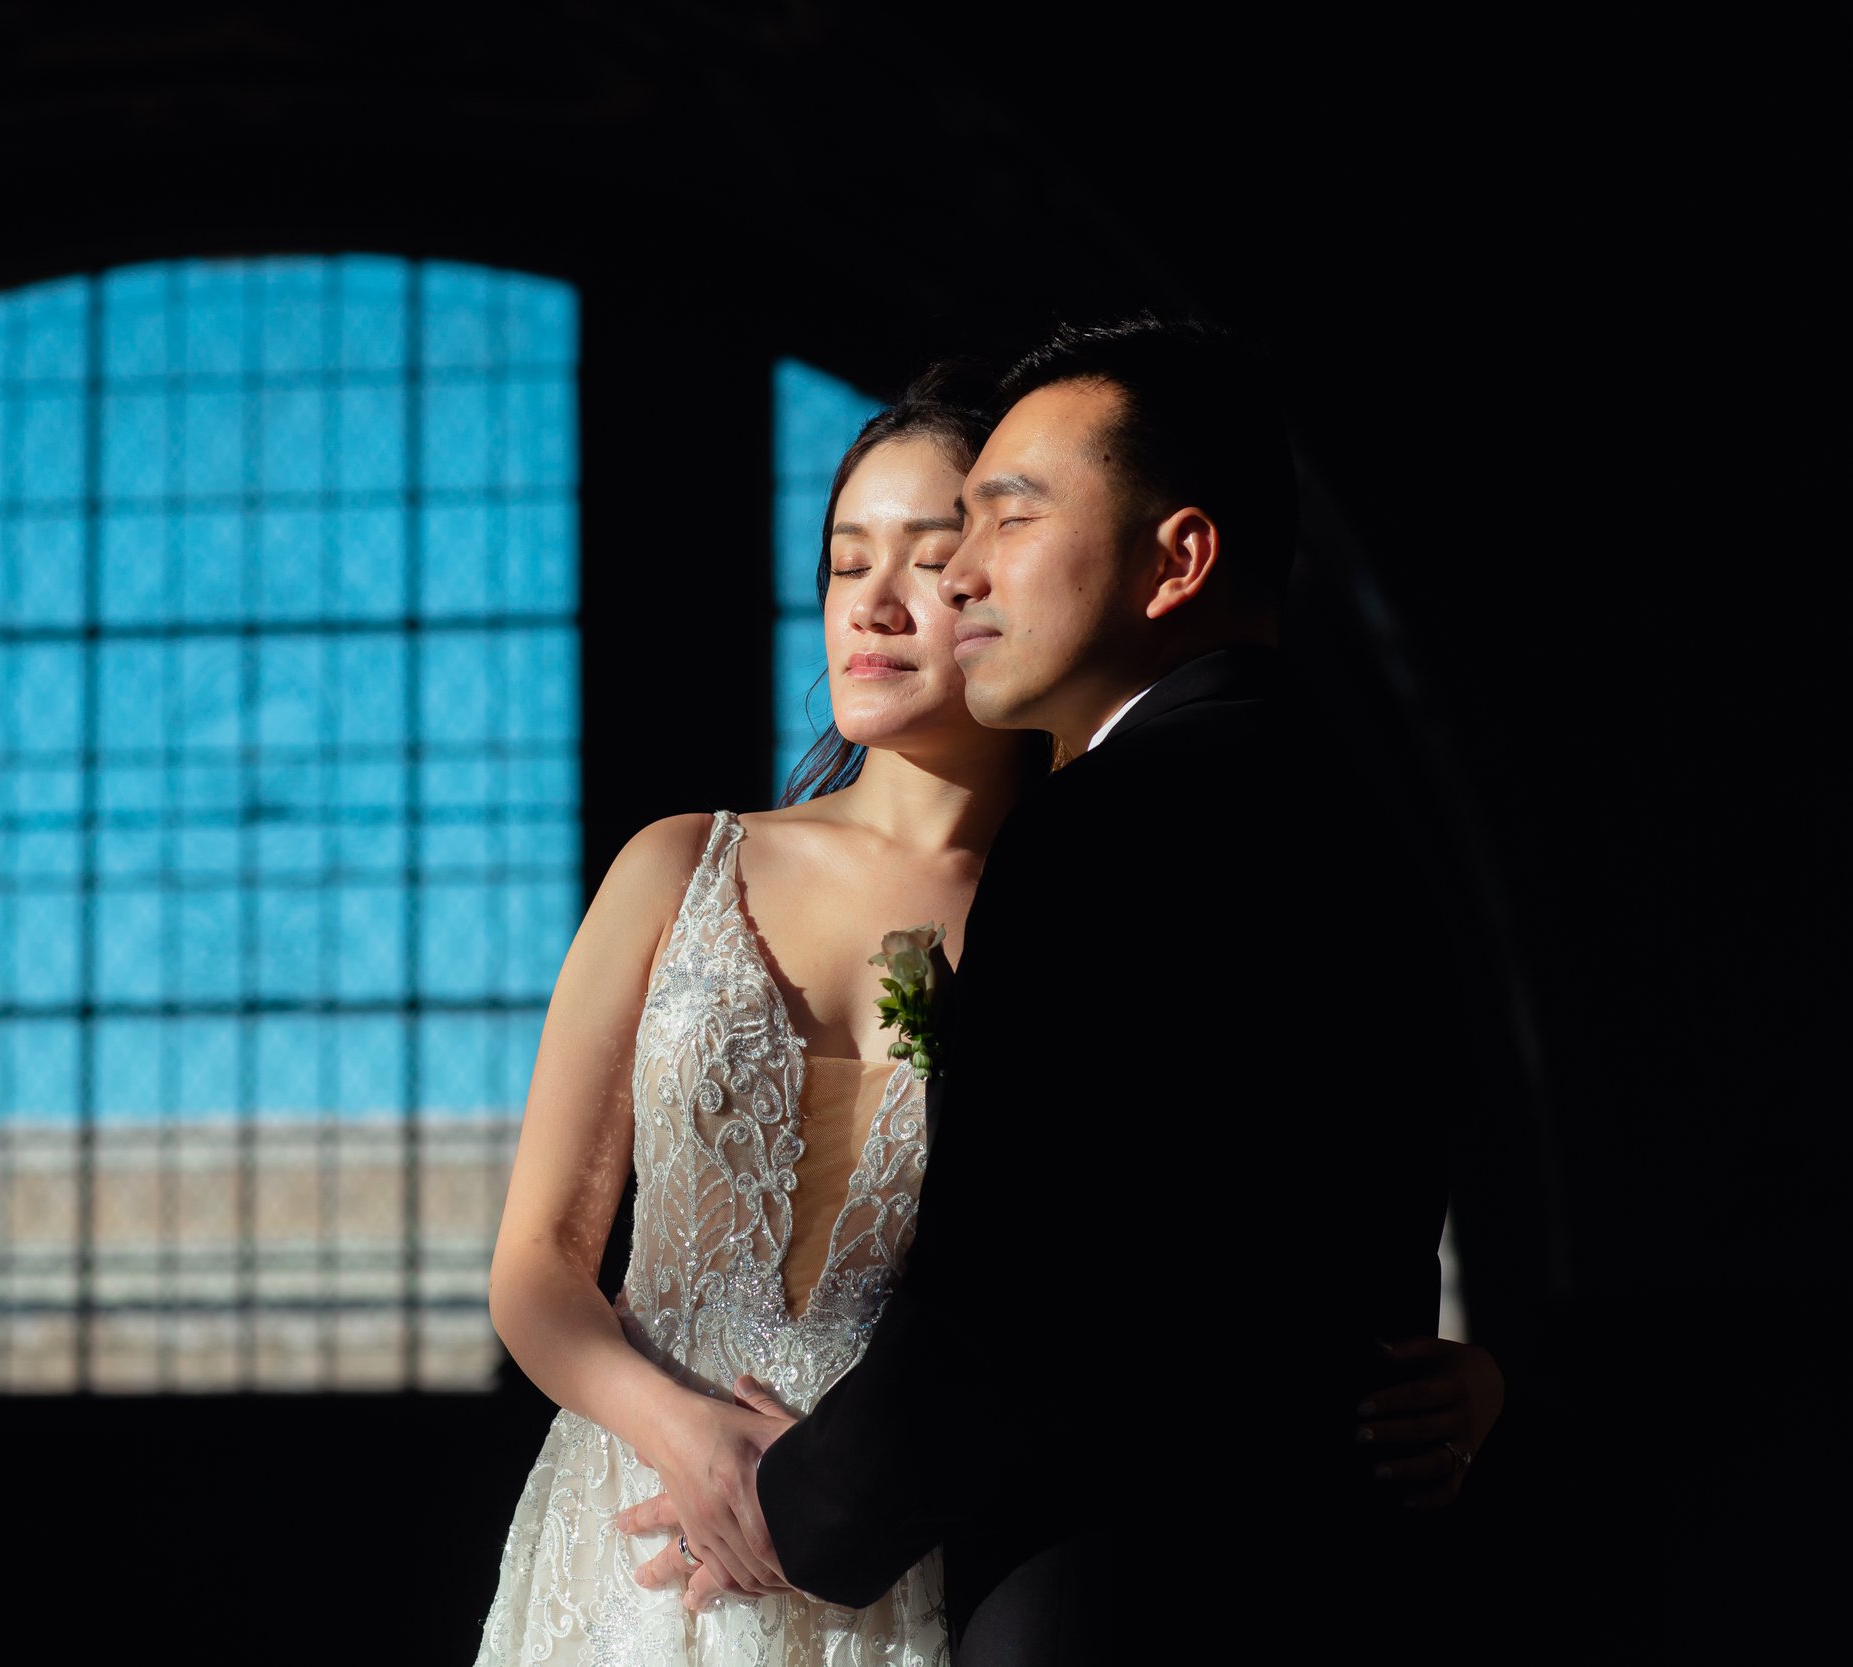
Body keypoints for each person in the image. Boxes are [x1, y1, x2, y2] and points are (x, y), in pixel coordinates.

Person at [474, 344, 1501, 1666]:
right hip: (652, 1521)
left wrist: (1460, 1374)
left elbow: (1209, 1220)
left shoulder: (1100, 860)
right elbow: (537, 1262)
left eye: (959, 544)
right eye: (849, 561)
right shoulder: (683, 864)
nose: (896, 599)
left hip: (928, 1538)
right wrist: (692, 1441)